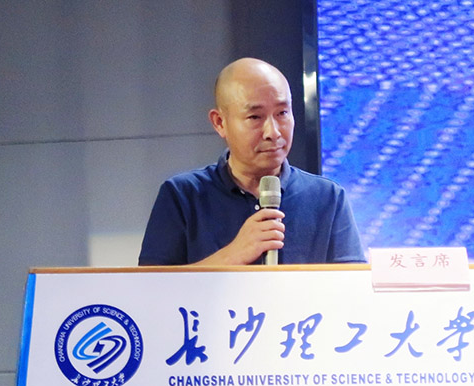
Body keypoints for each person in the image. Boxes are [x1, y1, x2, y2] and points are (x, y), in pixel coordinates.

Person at [139, 57, 364, 265]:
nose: (273, 132)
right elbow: (150, 288)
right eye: (255, 117)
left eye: (282, 113)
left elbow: (352, 288)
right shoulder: (182, 196)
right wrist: (232, 256)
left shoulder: (328, 198)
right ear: (220, 123)